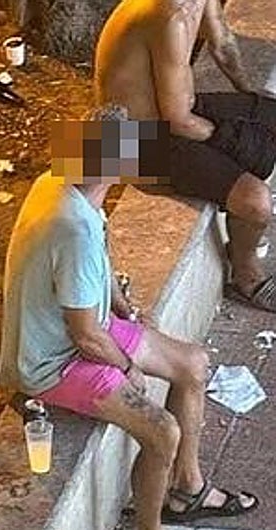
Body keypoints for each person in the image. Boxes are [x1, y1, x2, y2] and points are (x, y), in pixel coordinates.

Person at [0, 107, 258, 530]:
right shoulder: (69, 228)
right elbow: (86, 337)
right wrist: (127, 367)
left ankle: (188, 486)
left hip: (86, 328)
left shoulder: (67, 185)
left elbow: (98, 244)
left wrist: (119, 301)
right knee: (162, 429)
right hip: (54, 363)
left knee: (194, 366)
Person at [95, 0, 276, 310]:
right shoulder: (171, 15)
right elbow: (179, 120)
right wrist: (232, 139)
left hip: (167, 117)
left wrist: (249, 95)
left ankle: (241, 222)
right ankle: (247, 276)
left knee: (267, 119)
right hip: (127, 144)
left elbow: (222, 44)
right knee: (256, 201)